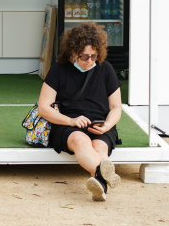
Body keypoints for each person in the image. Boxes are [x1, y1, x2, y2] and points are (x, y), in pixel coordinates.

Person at [37, 21, 123, 201]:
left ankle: (100, 183)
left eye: (94, 56)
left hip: (100, 124)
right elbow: (43, 108)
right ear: (73, 52)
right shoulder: (58, 70)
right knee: (80, 139)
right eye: (84, 56)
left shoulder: (105, 68)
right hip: (67, 124)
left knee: (100, 146)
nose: (90, 61)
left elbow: (116, 107)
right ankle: (103, 173)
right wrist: (71, 121)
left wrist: (107, 126)